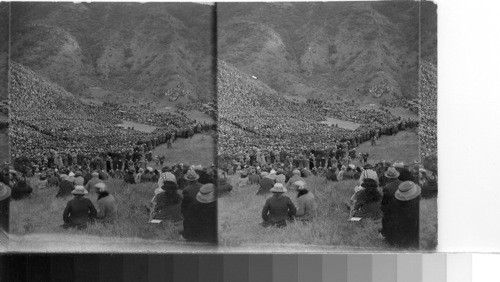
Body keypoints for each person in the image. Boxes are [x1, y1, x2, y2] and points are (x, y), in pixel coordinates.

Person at [380, 181, 421, 248]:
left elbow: (385, 219)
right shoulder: (416, 205)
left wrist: (384, 233)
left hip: (394, 238)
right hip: (412, 240)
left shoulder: (393, 202)